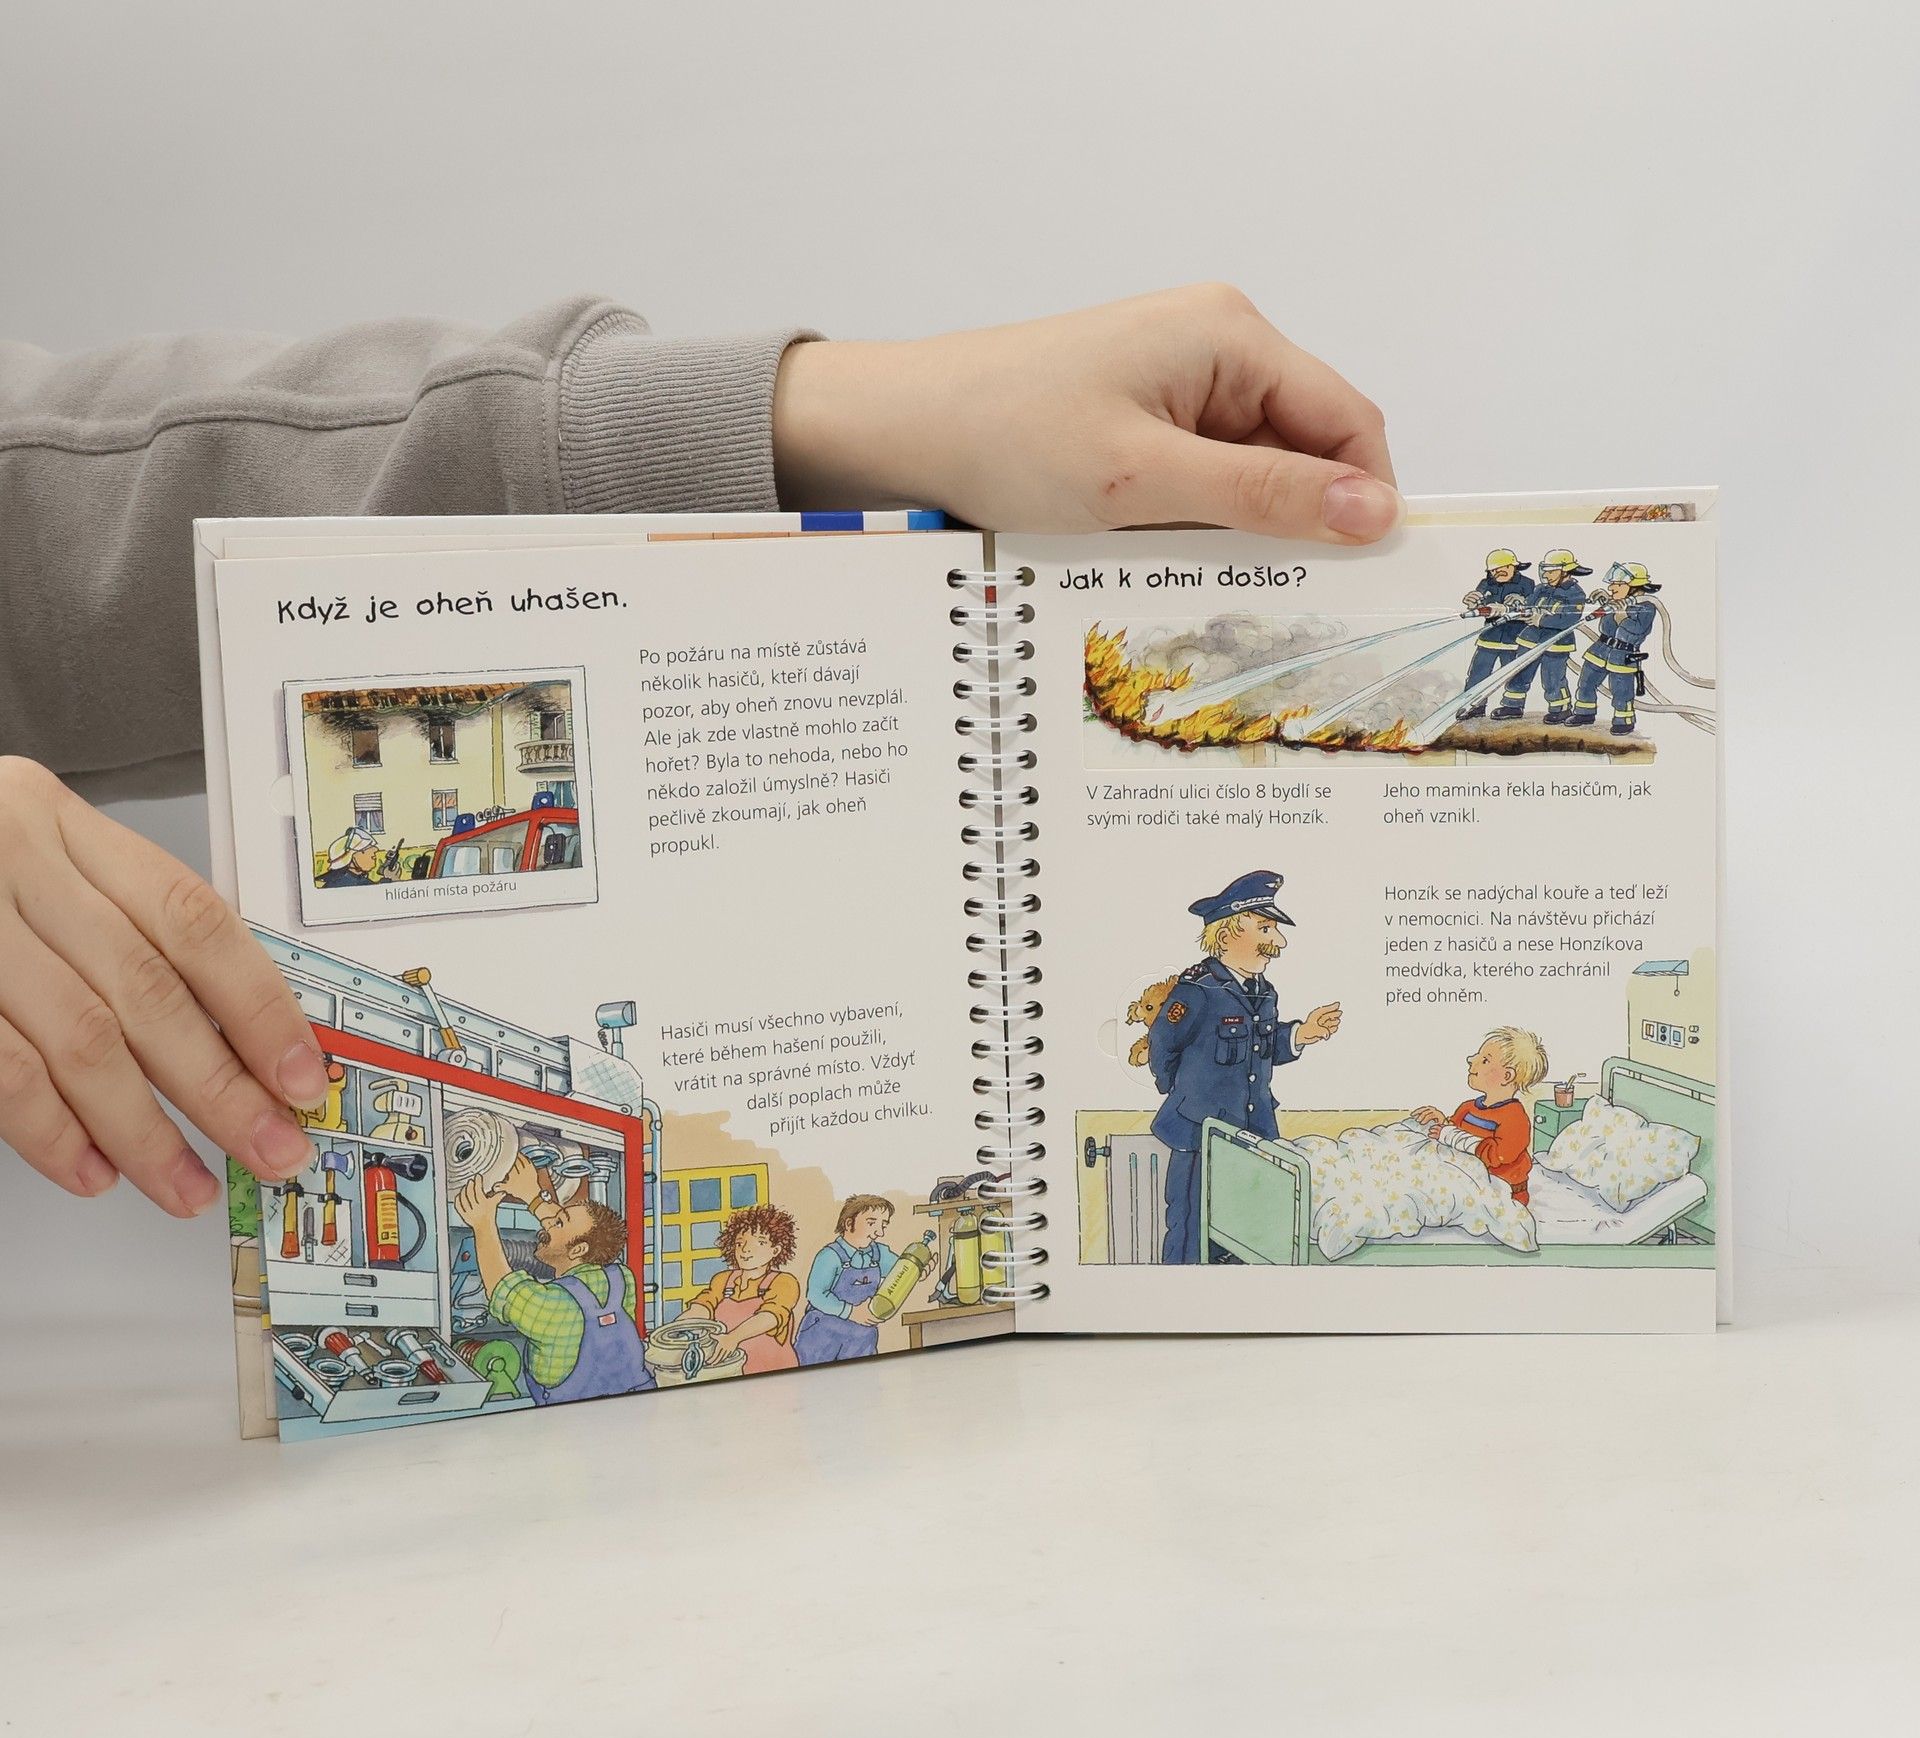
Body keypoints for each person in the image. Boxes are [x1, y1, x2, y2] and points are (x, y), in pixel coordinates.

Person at [0, 284, 1397, 1216]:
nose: (1265, 941)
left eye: (1270, 931)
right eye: (1259, 927)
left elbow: (48, 526)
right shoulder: (1184, 992)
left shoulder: (1241, 992)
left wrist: (825, 416)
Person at [1147, 871, 1343, 1264]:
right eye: (1266, 929)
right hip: (1201, 1136)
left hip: (1253, 1135)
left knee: (1248, 1237)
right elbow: (1162, 1047)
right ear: (1226, 935)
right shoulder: (1198, 990)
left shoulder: (1264, 993)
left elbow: (1263, 1048)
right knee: (1191, 1238)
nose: (1278, 942)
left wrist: (1301, 1034)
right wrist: (1186, 1097)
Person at [452, 1154, 653, 1404]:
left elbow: (502, 1288)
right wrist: (533, 1196)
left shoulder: (555, 1307)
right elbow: (578, 1231)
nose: (547, 1224)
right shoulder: (621, 1278)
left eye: (558, 1223)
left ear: (578, 1250)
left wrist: (482, 1223)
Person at [1411, 1026, 1549, 1208]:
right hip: (1467, 1179)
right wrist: (1441, 1122)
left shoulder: (1514, 1118)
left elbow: (1498, 1155)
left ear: (1507, 1076)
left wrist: (1450, 1135)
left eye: (1485, 1060)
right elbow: (1450, 1134)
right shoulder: (1468, 1108)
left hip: (1502, 1190)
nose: (1471, 1059)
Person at [683, 1203, 803, 1375]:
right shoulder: (722, 1280)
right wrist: (676, 1328)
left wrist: (733, 1338)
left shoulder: (784, 1282)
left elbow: (771, 1315)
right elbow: (703, 1305)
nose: (746, 1250)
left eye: (759, 1243)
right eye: (740, 1243)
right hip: (729, 1372)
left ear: (775, 1250)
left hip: (773, 1372)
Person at [793, 1195, 902, 1366]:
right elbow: (816, 1294)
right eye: (871, 1223)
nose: (879, 1233)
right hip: (821, 1337)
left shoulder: (879, 1253)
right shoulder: (829, 1256)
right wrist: (850, 1312)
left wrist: (918, 1269)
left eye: (883, 1225)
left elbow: (901, 1270)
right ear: (849, 1224)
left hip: (862, 1338)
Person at [1493, 548, 1591, 724]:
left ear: (1565, 571)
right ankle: (1512, 705)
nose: (1546, 575)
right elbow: (1529, 605)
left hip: (1555, 644)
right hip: (1530, 639)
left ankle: (1560, 709)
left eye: (1551, 571)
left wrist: (1541, 620)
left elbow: (1568, 619)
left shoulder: (1575, 594)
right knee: (1519, 673)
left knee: (1552, 678)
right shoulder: (1541, 589)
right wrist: (1518, 605)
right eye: (1545, 571)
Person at [1567, 562, 1659, 735]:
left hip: (1623, 654)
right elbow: (1605, 627)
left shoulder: (1647, 607)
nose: (1611, 588)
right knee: (1586, 681)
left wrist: (1621, 615)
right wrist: (1605, 601)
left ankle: (1623, 721)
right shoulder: (1616, 602)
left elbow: (1635, 632)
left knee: (1621, 690)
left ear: (1634, 586)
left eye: (1618, 584)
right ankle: (1584, 713)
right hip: (1600, 649)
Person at [1458, 548, 1536, 719]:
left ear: (1513, 566)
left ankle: (1513, 706)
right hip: (1489, 638)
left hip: (1515, 639)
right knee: (1478, 673)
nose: (1497, 572)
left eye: (1503, 568)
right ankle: (1474, 706)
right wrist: (1473, 602)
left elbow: (1532, 608)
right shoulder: (1485, 583)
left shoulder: (1527, 584)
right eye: (1493, 570)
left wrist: (1520, 603)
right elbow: (1480, 603)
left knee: (1515, 674)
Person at [314, 826, 383, 888]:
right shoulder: (336, 885)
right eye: (364, 850)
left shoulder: (364, 881)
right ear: (350, 858)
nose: (374, 855)